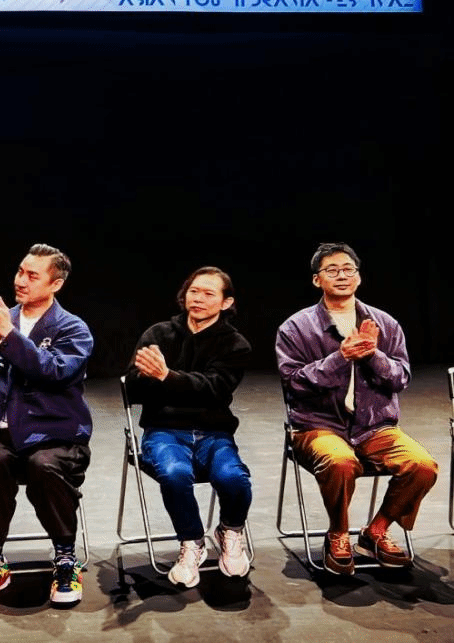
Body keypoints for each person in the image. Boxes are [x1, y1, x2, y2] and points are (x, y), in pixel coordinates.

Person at [276, 242, 438, 575]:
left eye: (348, 269)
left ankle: (375, 531)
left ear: (359, 277)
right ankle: (337, 533)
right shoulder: (295, 328)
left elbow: (400, 378)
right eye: (332, 270)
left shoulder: (385, 324)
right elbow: (294, 382)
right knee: (340, 462)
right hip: (318, 426)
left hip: (374, 427)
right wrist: (341, 357)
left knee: (423, 466)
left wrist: (373, 355)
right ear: (317, 280)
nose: (342, 275)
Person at [0, 244, 93, 607]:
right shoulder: (2, 319)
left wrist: (9, 336)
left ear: (56, 284)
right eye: (20, 271)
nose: (21, 280)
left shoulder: (72, 328)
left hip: (53, 433)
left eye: (33, 275)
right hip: (0, 432)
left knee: (44, 465)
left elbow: (55, 371)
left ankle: (65, 558)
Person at [123, 267, 253, 588]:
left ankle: (230, 530)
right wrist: (161, 380)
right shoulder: (158, 334)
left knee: (234, 478)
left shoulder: (235, 344)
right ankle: (192, 542)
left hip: (214, 434)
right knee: (175, 473)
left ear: (226, 302)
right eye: (194, 291)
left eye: (209, 294)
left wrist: (166, 377)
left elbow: (215, 389)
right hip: (164, 430)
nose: (198, 299)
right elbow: (133, 386)